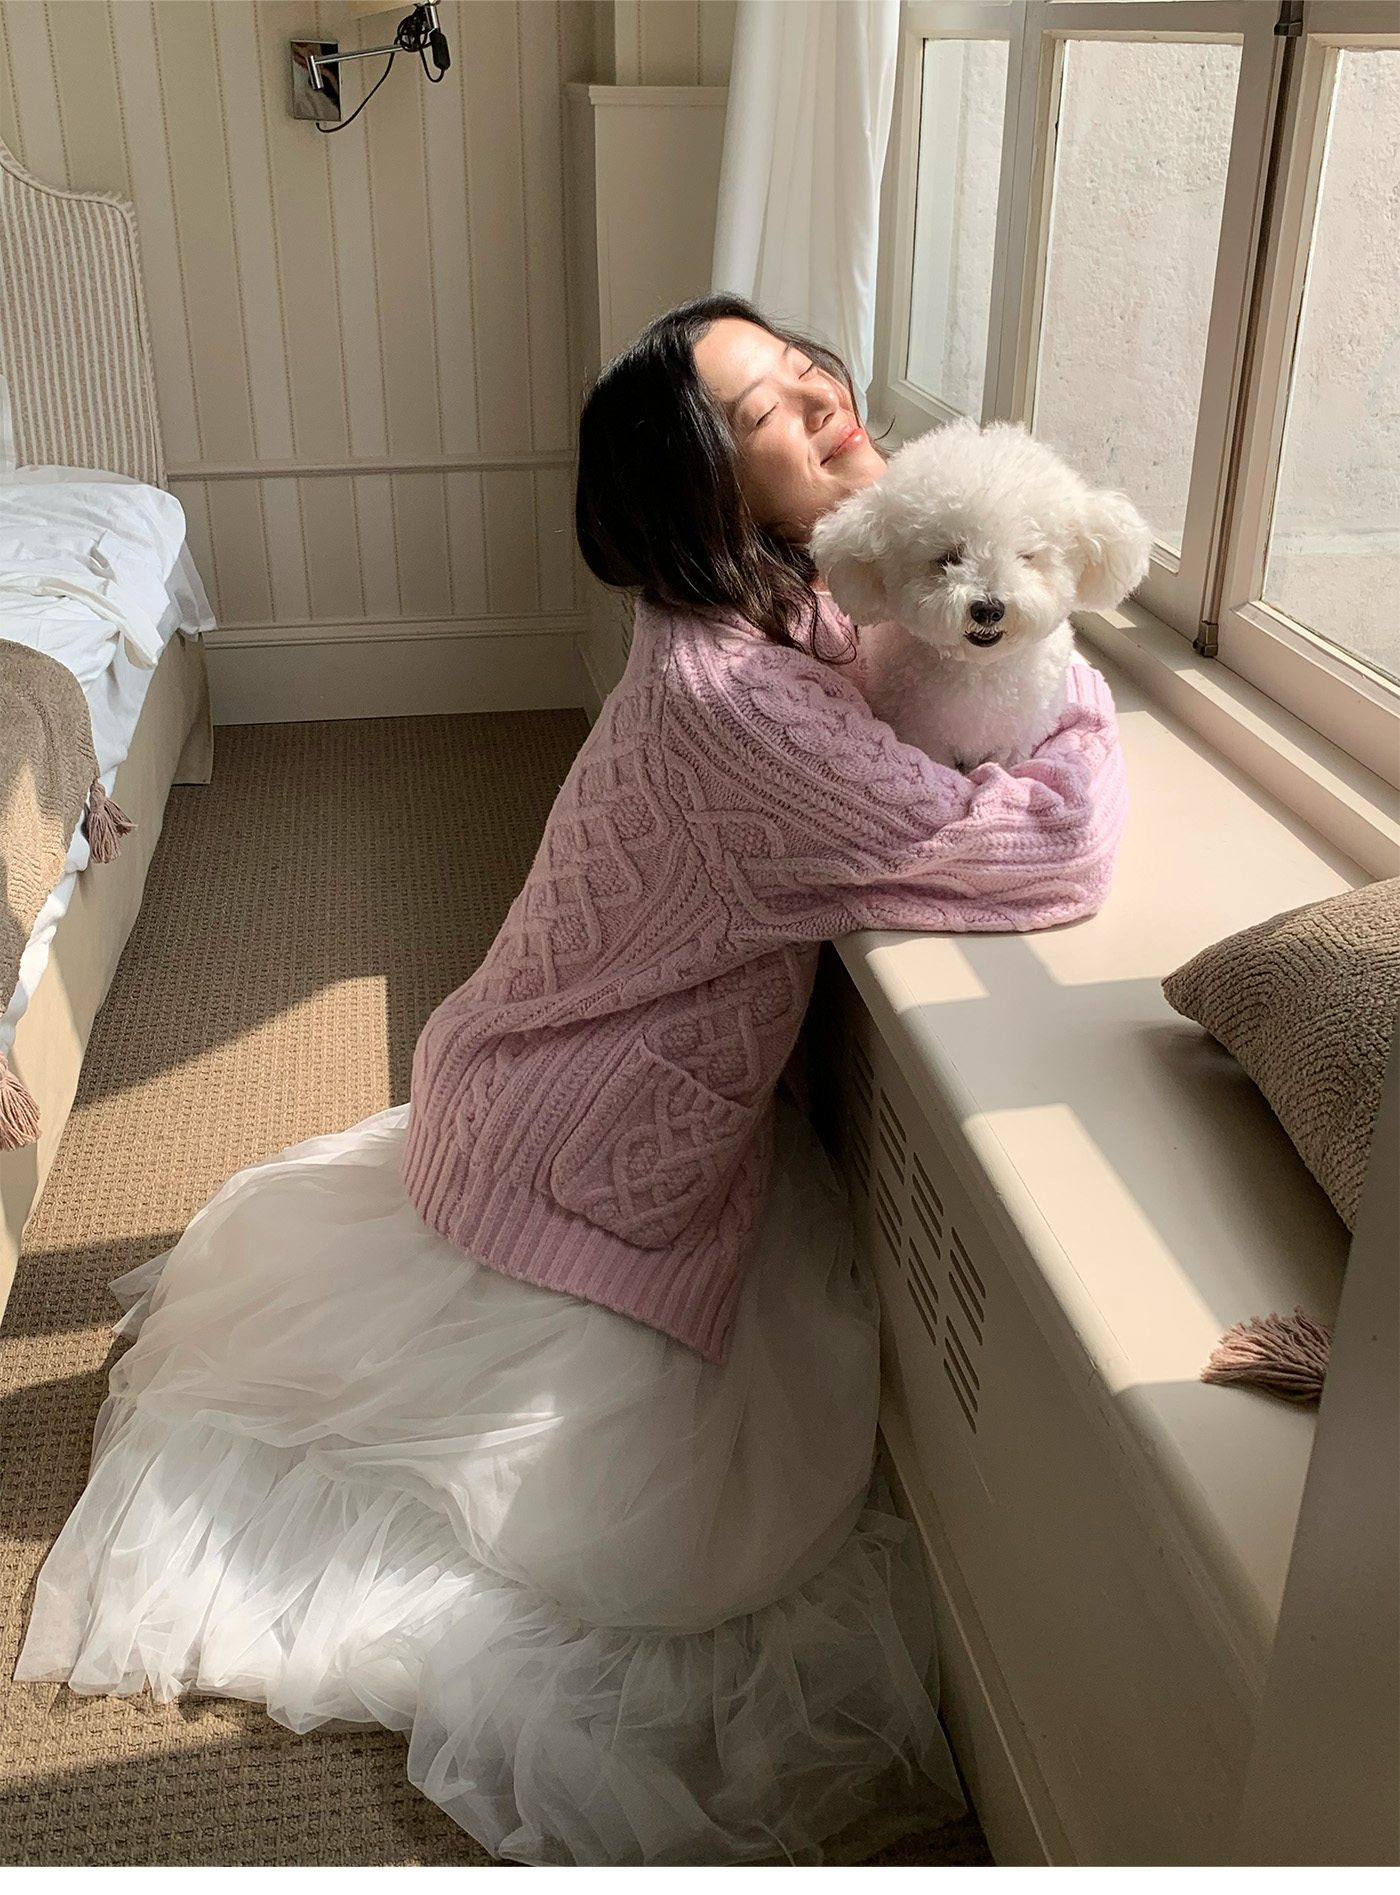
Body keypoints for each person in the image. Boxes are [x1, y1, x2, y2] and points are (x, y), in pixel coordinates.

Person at [16, 295, 1128, 1865]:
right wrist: (1067, 672)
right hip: (578, 1133)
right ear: (701, 487)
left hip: (534, 1066)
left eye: (804, 364)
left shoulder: (779, 602)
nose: (821, 394)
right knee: (663, 1546)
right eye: (764, 408)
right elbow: (1051, 846)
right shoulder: (738, 700)